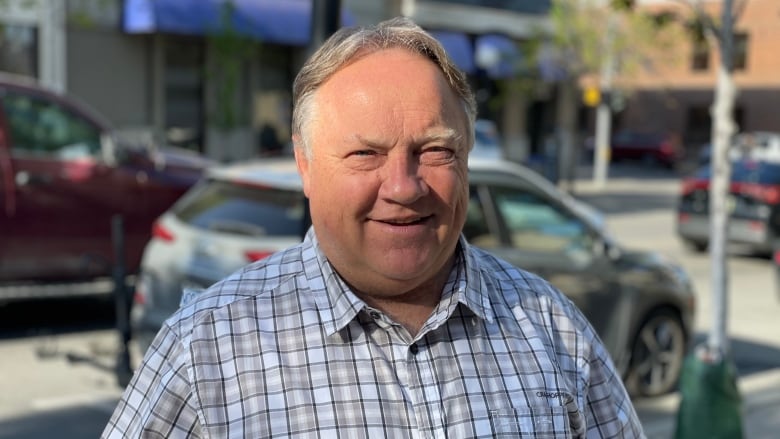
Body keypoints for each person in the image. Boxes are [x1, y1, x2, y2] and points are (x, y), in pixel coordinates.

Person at [102, 17, 644, 438]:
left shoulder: (552, 328)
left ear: (468, 158)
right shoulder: (205, 350)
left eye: (435, 150)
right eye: (366, 153)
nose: (404, 187)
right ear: (306, 165)